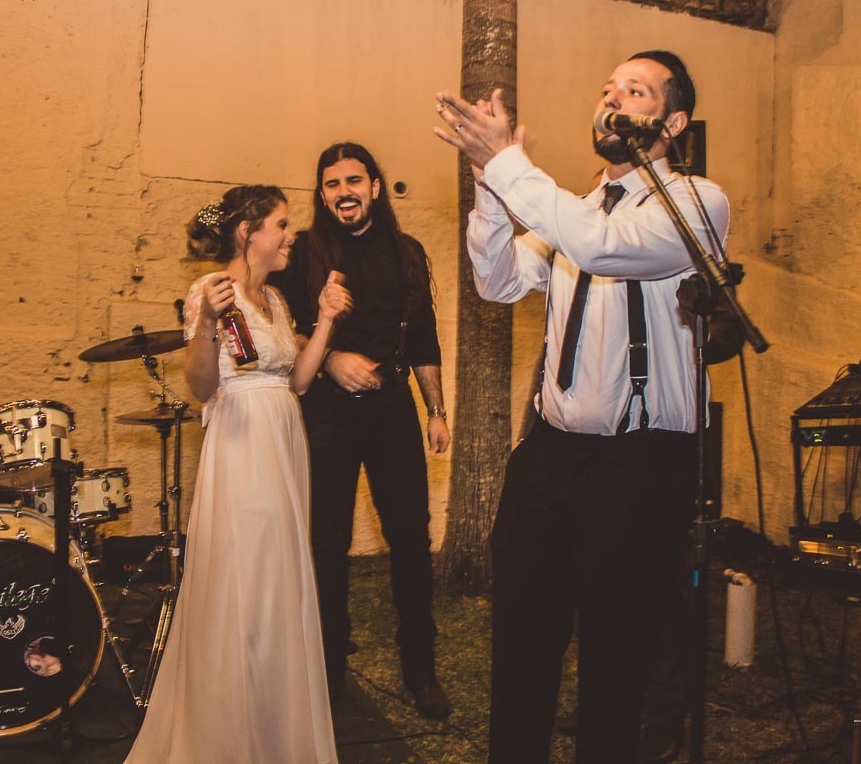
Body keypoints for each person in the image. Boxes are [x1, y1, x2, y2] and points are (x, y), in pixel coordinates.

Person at [434, 50, 729, 763]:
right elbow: (498, 281)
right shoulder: (575, 210)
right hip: (548, 455)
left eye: (635, 90)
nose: (612, 98)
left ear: (673, 122)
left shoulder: (696, 204)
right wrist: (489, 185)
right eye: (608, 88)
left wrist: (509, 164)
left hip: (638, 464)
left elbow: (602, 250)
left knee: (613, 657)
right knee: (522, 644)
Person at [124, 184, 352, 764]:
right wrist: (206, 322)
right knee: (245, 577)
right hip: (242, 444)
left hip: (284, 437)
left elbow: (298, 381)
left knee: (278, 578)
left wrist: (326, 321)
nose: (291, 235)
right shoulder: (209, 291)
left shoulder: (274, 298)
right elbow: (202, 386)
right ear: (248, 233)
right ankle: (229, 730)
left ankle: (273, 725)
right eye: (281, 224)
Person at [269, 142, 453, 720]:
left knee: (411, 540)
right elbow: (284, 334)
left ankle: (420, 670)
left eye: (353, 181)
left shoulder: (406, 251)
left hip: (393, 409)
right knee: (327, 543)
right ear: (322, 193)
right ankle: (328, 670)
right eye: (332, 184)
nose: (343, 192)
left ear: (374, 186)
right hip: (327, 412)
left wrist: (436, 410)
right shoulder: (304, 253)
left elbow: (423, 335)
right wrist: (331, 360)